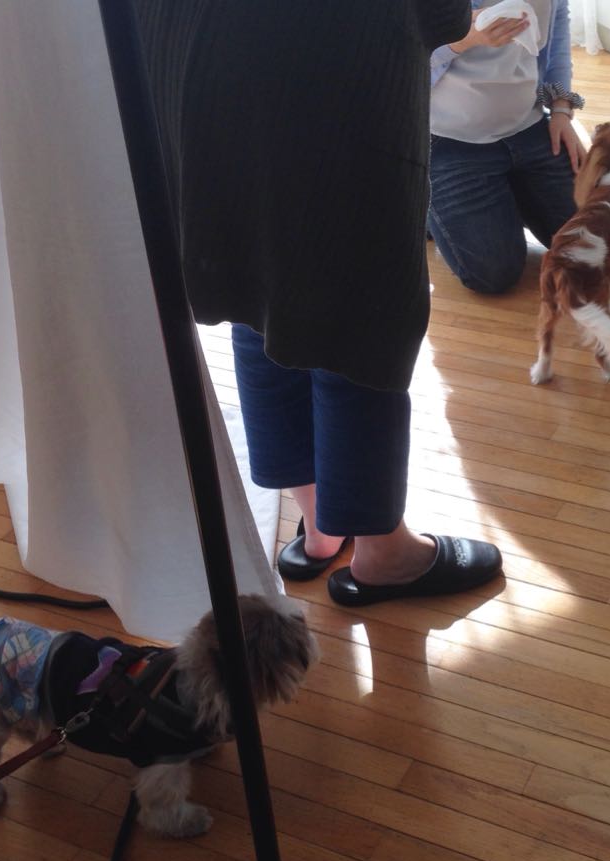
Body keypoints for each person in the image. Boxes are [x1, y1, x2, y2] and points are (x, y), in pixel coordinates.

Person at [133, 0, 502, 606]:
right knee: (358, 304)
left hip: (192, 76)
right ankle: (384, 551)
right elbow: (442, 15)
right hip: (330, 72)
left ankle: (319, 523)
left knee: (259, 288)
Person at [427, 0, 587, 294]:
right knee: (493, 273)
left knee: (593, 242)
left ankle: (508, 193)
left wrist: (561, 109)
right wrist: (463, 40)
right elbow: (397, 62)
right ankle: (422, 201)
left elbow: (558, 27)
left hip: (530, 127)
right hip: (448, 140)